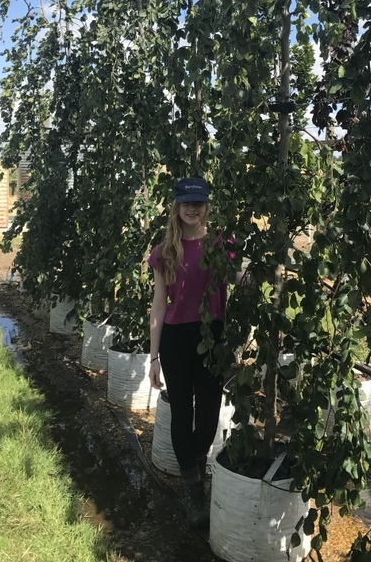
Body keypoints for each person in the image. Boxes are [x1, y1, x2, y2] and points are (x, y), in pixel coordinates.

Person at [148, 176, 227, 529]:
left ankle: (194, 460)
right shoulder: (166, 251)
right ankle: (194, 487)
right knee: (182, 411)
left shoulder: (222, 242)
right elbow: (159, 306)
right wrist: (153, 357)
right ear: (176, 207)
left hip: (213, 334)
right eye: (186, 203)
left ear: (206, 206)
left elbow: (238, 277)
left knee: (209, 414)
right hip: (177, 338)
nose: (192, 208)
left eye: (198, 203)